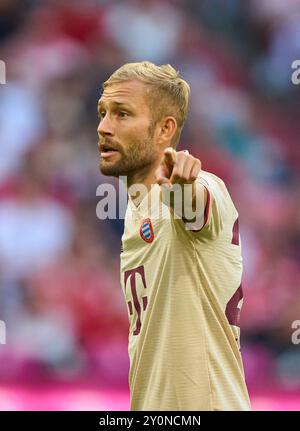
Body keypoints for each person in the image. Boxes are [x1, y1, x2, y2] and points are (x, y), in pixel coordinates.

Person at [97, 61, 251, 411]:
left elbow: (194, 205)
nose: (104, 127)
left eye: (122, 114)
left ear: (165, 128)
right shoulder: (136, 213)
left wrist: (182, 187)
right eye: (103, 113)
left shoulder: (198, 190)